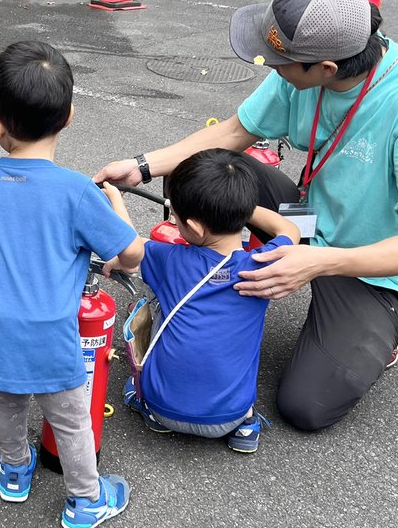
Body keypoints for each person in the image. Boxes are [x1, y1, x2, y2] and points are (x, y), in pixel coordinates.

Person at [95, 0, 398, 432]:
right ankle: (208, 273)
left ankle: (380, 337)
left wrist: (317, 262)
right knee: (208, 171)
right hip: (309, 219)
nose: (272, 68)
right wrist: (142, 167)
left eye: (280, 62)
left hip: (371, 265)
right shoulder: (305, 70)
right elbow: (233, 133)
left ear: (325, 69)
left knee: (306, 407)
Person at [0, 41, 144, 528]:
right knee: (71, 419)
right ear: (69, 116)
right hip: (50, 334)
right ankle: (86, 500)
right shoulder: (77, 192)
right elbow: (132, 255)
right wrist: (116, 210)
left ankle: (15, 471)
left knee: (7, 404)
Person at [105, 150, 300, 452]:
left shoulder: (170, 259)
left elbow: (130, 251)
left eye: (176, 217)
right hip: (230, 416)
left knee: (159, 302)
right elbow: (290, 230)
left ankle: (150, 411)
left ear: (195, 228)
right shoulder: (264, 265)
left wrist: (116, 199)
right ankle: (246, 425)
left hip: (164, 409)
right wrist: (236, 206)